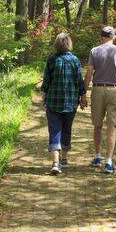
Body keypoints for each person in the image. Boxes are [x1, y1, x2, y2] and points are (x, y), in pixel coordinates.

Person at [85, 25, 116, 174]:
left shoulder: (94, 51)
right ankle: (108, 161)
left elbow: (89, 73)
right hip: (115, 90)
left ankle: (97, 156)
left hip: (98, 89)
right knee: (112, 127)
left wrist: (83, 93)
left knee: (97, 125)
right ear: (114, 37)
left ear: (101, 37)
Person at [40, 32, 85, 175]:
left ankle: (55, 163)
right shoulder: (75, 60)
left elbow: (46, 80)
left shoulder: (52, 60)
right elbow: (80, 81)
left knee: (54, 130)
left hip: (53, 101)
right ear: (69, 44)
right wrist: (83, 97)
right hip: (71, 102)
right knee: (67, 129)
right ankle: (63, 159)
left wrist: (44, 94)